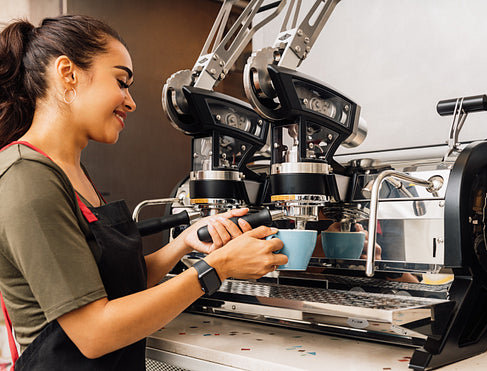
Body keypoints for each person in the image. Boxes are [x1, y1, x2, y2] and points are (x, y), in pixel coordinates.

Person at [0, 15, 287, 370]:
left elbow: (115, 284)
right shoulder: (27, 177)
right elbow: (94, 334)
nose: (131, 102)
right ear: (67, 73)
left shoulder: (71, 172)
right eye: (121, 81)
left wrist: (185, 243)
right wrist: (218, 266)